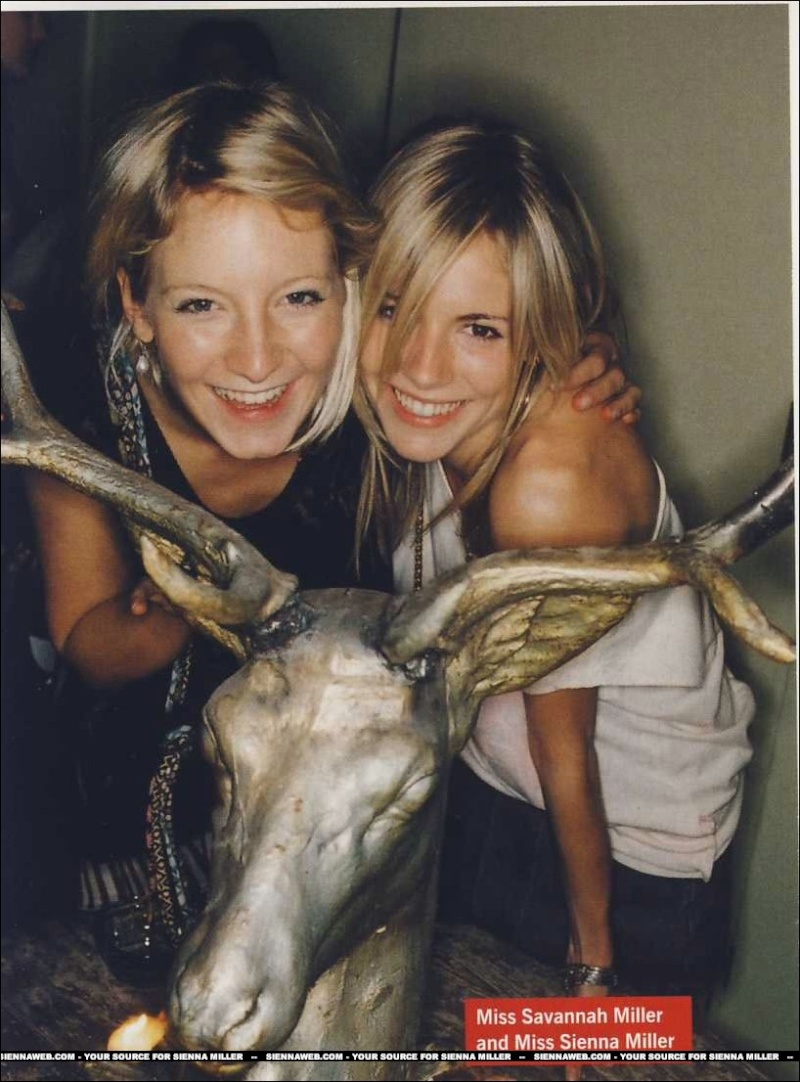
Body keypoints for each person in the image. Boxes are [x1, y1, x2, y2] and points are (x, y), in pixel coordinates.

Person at [17, 83, 634, 979]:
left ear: (352, 285)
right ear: (137, 306)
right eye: (200, 306)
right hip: (116, 841)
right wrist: (180, 612)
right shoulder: (79, 415)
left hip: (326, 851)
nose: (258, 358)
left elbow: (480, 324)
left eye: (299, 297)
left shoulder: (381, 396)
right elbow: (84, 638)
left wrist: (579, 360)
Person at [355, 119, 755, 1016]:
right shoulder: (439, 409)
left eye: (479, 328)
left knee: (589, 1063)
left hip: (627, 860)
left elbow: (563, 752)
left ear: (538, 335)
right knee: (462, 1046)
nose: (419, 364)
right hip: (495, 793)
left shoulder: (547, 488)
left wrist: (595, 971)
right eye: (393, 307)